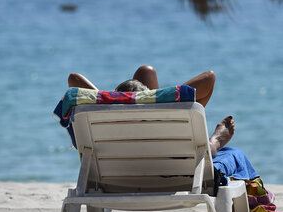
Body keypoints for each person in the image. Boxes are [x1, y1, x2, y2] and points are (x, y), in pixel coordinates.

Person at [67, 66, 233, 156]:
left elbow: (74, 78)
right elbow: (209, 77)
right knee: (206, 148)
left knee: (145, 72)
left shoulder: (105, 125)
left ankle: (130, 100)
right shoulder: (167, 132)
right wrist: (156, 100)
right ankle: (216, 140)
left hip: (116, 168)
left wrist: (107, 104)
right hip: (167, 167)